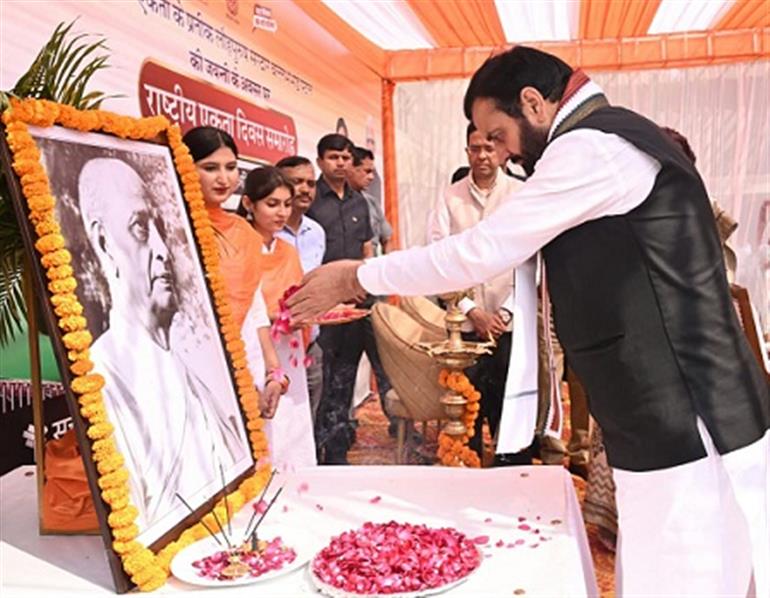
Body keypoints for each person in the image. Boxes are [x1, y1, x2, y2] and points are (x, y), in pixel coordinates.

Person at [288, 46, 770, 597]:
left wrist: (357, 276)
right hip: (665, 406)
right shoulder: (601, 140)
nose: (503, 152)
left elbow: (482, 250)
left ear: (533, 103)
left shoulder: (593, 148)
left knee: (684, 576)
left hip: (687, 411)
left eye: (497, 133)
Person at [79, 158, 248, 534]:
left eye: (160, 227)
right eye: (140, 227)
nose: (162, 249)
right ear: (104, 242)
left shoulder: (188, 363)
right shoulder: (103, 377)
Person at [427, 122, 523, 463]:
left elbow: (530, 260)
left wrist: (505, 313)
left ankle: (512, 485)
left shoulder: (519, 195)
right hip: (463, 330)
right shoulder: (450, 197)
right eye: (475, 148)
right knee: (465, 414)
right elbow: (438, 259)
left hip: (508, 326)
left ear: (502, 150)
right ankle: (467, 479)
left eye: (489, 147)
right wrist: (471, 310)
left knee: (510, 411)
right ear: (466, 150)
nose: (482, 155)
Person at [182, 126, 284, 420]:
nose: (224, 178)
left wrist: (272, 370)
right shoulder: (173, 228)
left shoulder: (244, 232)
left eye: (231, 167)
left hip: (245, 358)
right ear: (184, 167)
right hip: (193, 366)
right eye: (210, 168)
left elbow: (254, 307)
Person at [307, 134, 387, 464]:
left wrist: (365, 285)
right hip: (322, 307)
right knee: (321, 380)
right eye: (332, 157)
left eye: (344, 157)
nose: (340, 163)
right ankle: (314, 447)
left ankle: (337, 450)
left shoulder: (359, 202)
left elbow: (367, 248)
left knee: (345, 376)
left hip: (354, 304)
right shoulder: (310, 201)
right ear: (320, 161)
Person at [241, 166, 317, 469]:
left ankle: (294, 472)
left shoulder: (286, 250)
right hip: (255, 344)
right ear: (249, 204)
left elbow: (298, 294)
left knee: (292, 413)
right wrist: (274, 317)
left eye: (287, 203)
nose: (282, 212)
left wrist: (302, 315)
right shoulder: (239, 246)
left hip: (291, 344)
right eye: (272, 204)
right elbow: (241, 303)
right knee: (264, 415)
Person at [349, 146, 393, 256]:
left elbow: (387, 239)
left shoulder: (372, 203)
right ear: (349, 169)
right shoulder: (328, 203)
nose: (371, 177)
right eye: (367, 172)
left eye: (372, 172)